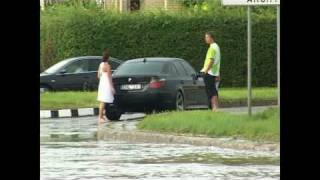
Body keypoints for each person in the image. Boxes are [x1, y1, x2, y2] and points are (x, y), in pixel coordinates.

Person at [200, 32, 221, 112]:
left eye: (207, 37)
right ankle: (215, 108)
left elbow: (211, 61)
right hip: (214, 72)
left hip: (210, 72)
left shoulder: (212, 48)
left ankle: (214, 108)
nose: (205, 39)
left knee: (211, 90)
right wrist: (218, 73)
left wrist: (205, 71)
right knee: (213, 89)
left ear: (211, 38)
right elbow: (217, 61)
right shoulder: (216, 47)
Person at [97, 49, 115, 123]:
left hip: (102, 83)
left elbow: (98, 76)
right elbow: (109, 77)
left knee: (103, 100)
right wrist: (112, 87)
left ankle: (102, 115)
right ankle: (100, 117)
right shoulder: (107, 65)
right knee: (104, 100)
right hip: (106, 84)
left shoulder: (100, 65)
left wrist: (102, 79)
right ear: (108, 57)